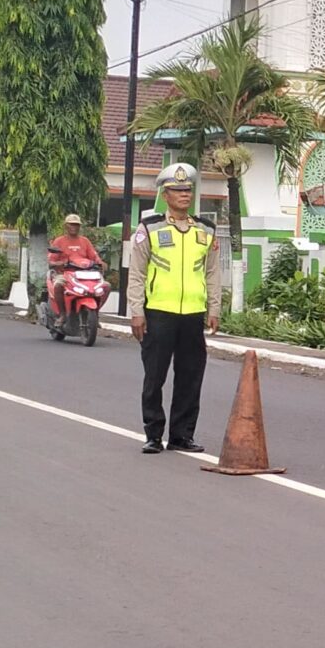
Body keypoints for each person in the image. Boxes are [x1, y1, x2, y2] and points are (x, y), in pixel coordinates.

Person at [124, 163, 222, 455]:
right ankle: (153, 434)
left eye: (187, 190)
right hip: (158, 313)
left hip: (192, 315)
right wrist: (136, 311)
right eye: (178, 190)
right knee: (155, 376)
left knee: (191, 376)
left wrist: (214, 308)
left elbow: (213, 273)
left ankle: (182, 435)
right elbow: (138, 273)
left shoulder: (205, 231)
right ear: (165, 194)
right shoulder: (149, 228)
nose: (184, 195)